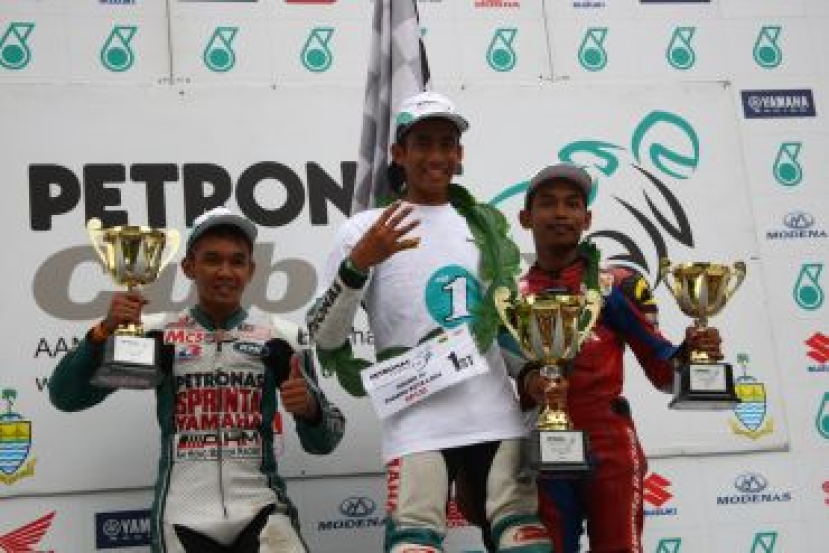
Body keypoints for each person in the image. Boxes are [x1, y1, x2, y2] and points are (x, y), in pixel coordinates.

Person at [306, 91, 552, 553]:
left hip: (496, 417)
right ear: (398, 153)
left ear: (460, 155)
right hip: (417, 425)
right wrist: (359, 264)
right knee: (413, 543)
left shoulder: (483, 226)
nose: (435, 156)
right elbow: (323, 334)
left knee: (526, 541)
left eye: (446, 143)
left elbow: (498, 327)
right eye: (422, 143)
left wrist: (535, 373)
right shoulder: (364, 229)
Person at [48, 207, 345, 553]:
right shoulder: (157, 334)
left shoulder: (283, 337)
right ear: (189, 267)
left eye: (237, 261)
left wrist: (310, 410)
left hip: (262, 510)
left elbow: (325, 441)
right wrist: (103, 332)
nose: (225, 272)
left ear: (251, 270)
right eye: (212, 260)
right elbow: (66, 397)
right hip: (183, 516)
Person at [514, 163, 724, 553]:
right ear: (525, 218)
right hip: (542, 443)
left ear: (587, 219)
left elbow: (662, 370)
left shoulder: (617, 285)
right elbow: (501, 384)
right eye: (547, 203)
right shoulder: (511, 296)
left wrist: (693, 353)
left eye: (572, 204)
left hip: (610, 442)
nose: (561, 213)